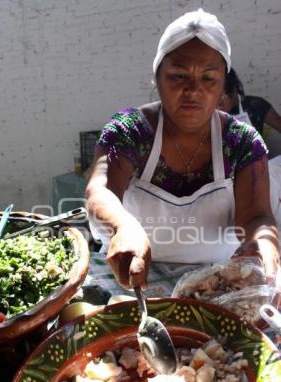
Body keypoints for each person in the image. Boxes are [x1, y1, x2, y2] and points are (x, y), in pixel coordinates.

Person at [86, 9, 279, 290]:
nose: (192, 90)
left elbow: (257, 217)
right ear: (157, 77)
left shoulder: (241, 143)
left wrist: (263, 243)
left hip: (216, 284)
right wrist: (122, 227)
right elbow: (100, 190)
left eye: (208, 78)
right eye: (178, 76)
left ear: (224, 85)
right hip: (132, 279)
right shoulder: (131, 131)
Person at [220, 67, 281, 139]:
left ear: (234, 91)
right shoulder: (210, 109)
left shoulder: (257, 105)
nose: (218, 108)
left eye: (220, 103)